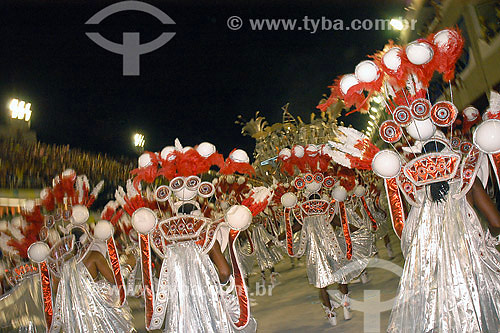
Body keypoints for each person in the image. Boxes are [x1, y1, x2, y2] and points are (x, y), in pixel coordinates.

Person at [387, 140, 500, 332]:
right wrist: (487, 240)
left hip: (429, 270)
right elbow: (496, 222)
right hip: (469, 264)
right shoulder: (467, 180)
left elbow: (408, 234)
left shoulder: (416, 191)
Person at [50, 227, 135, 333]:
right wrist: (129, 266)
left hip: (78, 313)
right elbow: (115, 280)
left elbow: (57, 291)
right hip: (100, 309)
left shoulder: (65, 265)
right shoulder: (94, 256)